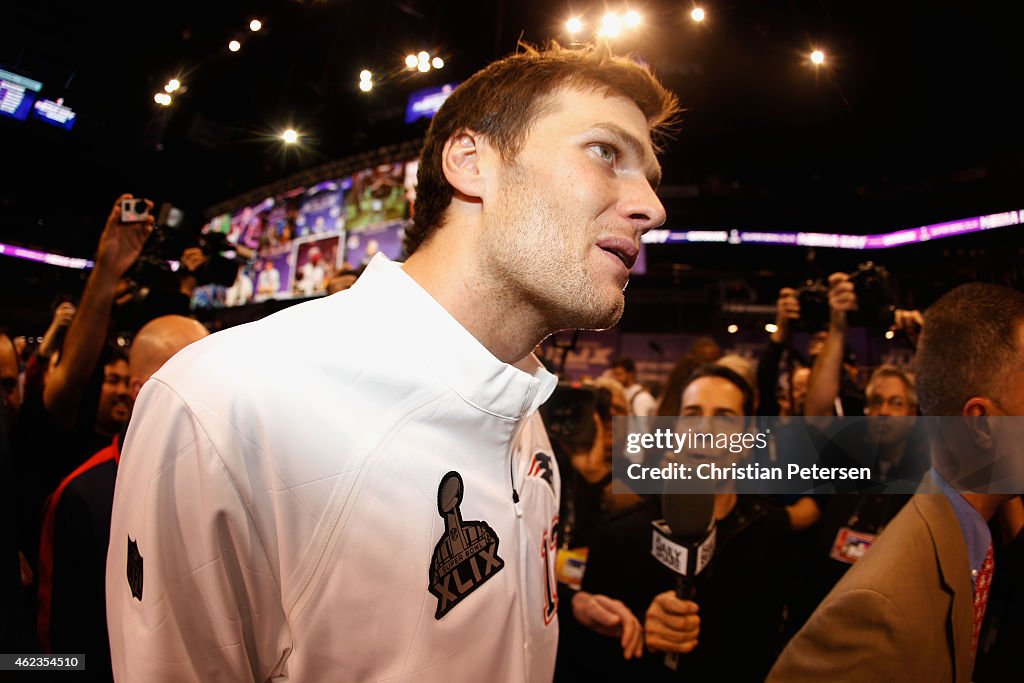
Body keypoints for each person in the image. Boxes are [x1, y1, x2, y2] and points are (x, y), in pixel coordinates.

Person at [107, 42, 677, 681]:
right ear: (471, 161)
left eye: (651, 179)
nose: (652, 209)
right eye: (606, 152)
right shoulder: (231, 403)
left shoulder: (524, 418)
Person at [769, 283, 1024, 682]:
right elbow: (817, 413)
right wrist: (837, 325)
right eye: (877, 402)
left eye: (898, 403)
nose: (885, 413)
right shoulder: (875, 607)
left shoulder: (931, 479)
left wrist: (945, 358)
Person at [581, 365, 788, 682]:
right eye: (692, 414)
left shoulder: (771, 529)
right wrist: (637, 627)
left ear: (748, 441)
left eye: (724, 417)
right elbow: (589, 657)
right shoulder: (619, 536)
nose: (704, 429)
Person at [36, 316, 208, 681]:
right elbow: (62, 647)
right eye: (200, 378)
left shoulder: (219, 479)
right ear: (142, 390)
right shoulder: (82, 494)